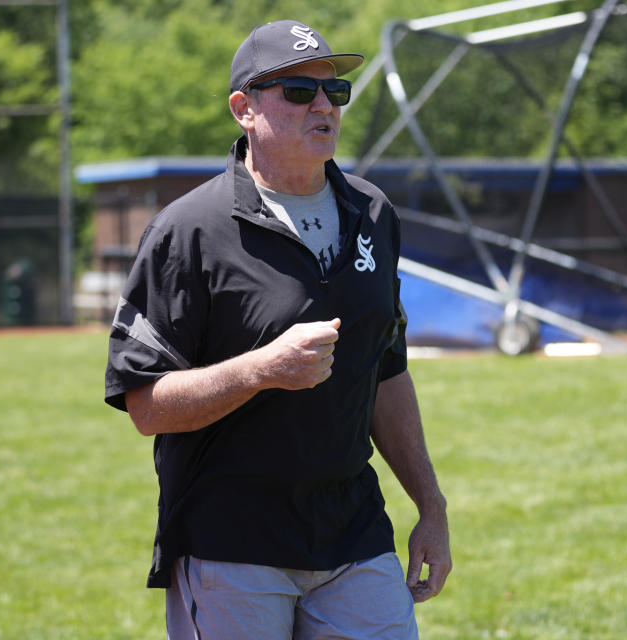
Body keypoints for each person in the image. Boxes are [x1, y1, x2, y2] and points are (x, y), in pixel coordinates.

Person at [104, 19, 451, 640]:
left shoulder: (374, 213)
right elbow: (145, 405)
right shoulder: (188, 231)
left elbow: (387, 369)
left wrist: (430, 506)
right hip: (229, 540)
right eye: (298, 91)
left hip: (353, 532)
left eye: (334, 91)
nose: (323, 105)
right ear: (244, 109)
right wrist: (259, 371)